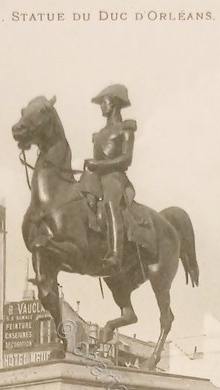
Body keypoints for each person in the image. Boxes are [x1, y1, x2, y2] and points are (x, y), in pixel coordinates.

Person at [82, 83, 136, 271]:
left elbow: (126, 159)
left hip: (115, 177)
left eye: (103, 103)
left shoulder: (125, 129)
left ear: (113, 103)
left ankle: (115, 254)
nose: (101, 107)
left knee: (110, 203)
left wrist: (100, 165)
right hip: (96, 177)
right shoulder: (99, 134)